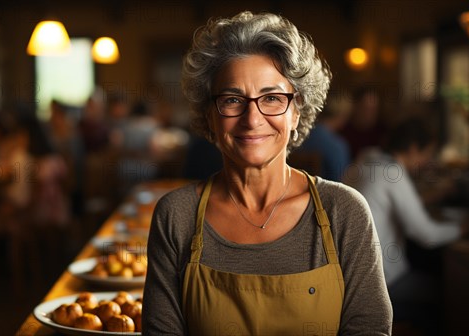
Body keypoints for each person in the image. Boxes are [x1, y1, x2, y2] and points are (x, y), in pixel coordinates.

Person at [143, 11, 392, 335]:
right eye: (233, 99)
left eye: (272, 98)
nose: (252, 118)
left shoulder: (345, 212)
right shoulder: (175, 216)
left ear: (296, 110)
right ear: (209, 114)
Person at [343, 117, 469, 331]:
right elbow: (428, 235)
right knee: (457, 293)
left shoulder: (367, 159)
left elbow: (389, 201)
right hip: (380, 284)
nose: (426, 161)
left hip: (350, 279)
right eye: (427, 153)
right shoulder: (393, 172)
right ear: (414, 148)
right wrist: (466, 227)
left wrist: (429, 197)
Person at [294, 99, 351, 181]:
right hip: (324, 192)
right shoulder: (337, 146)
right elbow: (340, 183)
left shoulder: (297, 137)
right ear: (343, 115)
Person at [339, 86, 387, 160]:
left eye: (374, 109)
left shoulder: (383, 132)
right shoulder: (343, 131)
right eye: (367, 108)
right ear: (356, 107)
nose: (371, 113)